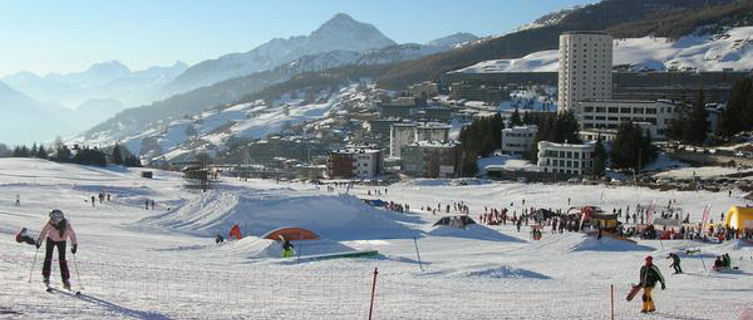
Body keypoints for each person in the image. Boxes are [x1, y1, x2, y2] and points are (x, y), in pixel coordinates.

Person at [36, 209, 78, 290]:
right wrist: (40, 240)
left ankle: (65, 280)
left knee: (62, 260)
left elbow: (72, 235)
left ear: (57, 219)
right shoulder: (50, 223)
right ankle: (46, 276)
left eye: (52, 218)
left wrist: (74, 245)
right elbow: (44, 231)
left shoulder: (66, 226)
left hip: (61, 242)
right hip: (50, 240)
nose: (51, 220)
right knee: (48, 258)